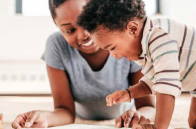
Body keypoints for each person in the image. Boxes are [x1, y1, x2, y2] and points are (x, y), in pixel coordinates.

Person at [11, 0, 156, 129]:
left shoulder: (126, 41)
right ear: (58, 28)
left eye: (88, 22)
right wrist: (45, 118)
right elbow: (65, 111)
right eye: (70, 30)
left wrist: (137, 115)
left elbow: (148, 106)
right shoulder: (56, 45)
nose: (83, 35)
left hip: (124, 114)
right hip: (81, 116)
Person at [77, 0, 196, 129]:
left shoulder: (159, 36)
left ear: (132, 29)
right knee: (195, 122)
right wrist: (129, 93)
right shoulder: (144, 46)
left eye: (112, 48)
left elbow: (166, 86)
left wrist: (159, 127)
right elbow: (153, 81)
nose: (113, 55)